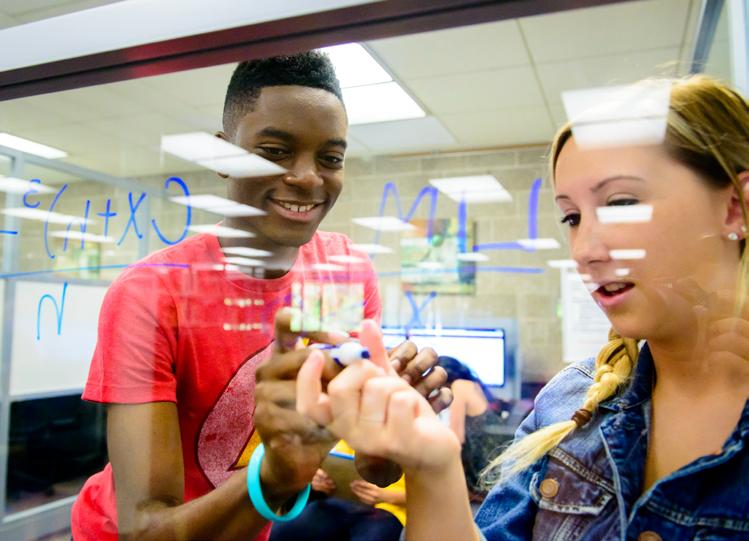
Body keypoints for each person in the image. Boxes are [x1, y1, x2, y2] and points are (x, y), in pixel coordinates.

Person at [296, 75, 749, 540]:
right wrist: (431, 465)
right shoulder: (567, 403)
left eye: (621, 203)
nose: (584, 250)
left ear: (734, 206)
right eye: (572, 217)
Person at [70, 51, 447, 541]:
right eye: (274, 151)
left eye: (330, 158)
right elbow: (145, 529)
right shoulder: (154, 292)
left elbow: (371, 466)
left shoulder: (340, 274)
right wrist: (274, 477)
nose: (308, 177)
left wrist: (390, 436)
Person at [269, 440, 406, 541]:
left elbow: (421, 496)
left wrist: (390, 496)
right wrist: (318, 479)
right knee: (283, 531)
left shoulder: (411, 443)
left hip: (391, 512)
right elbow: (337, 463)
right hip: (342, 504)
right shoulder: (354, 436)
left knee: (376, 532)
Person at [437, 356, 512, 501]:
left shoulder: (459, 386)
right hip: (495, 462)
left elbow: (456, 438)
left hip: (483, 466)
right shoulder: (474, 385)